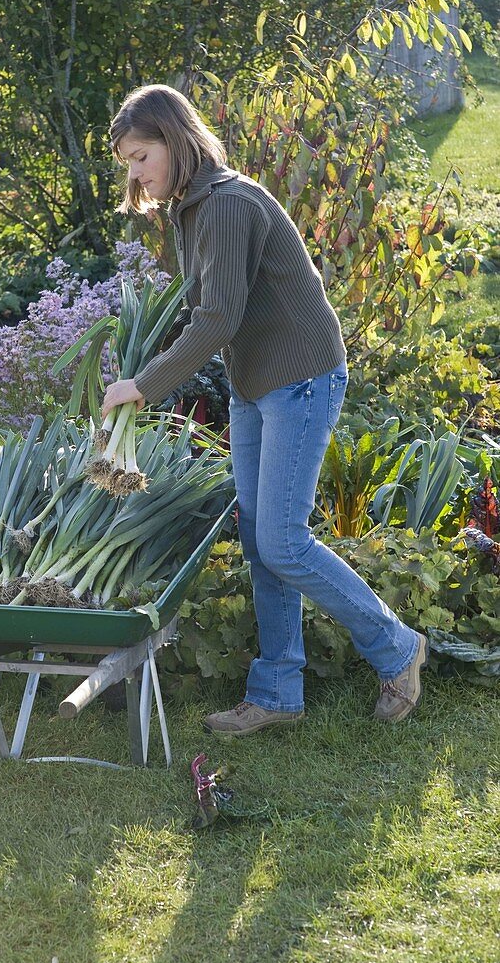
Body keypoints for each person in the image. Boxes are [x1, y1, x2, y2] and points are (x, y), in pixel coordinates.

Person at [100, 83, 428, 734]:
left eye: (140, 156)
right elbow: (212, 313)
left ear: (174, 140)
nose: (135, 174)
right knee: (259, 541)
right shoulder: (193, 207)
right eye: (128, 163)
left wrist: (143, 383)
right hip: (256, 385)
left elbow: (216, 319)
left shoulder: (224, 206)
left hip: (300, 379)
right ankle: (277, 693)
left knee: (281, 540)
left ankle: (397, 646)